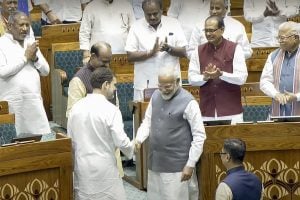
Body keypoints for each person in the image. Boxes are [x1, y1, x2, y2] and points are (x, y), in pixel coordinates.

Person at [135, 66, 206, 200]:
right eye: (160, 86)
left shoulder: (189, 102)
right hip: (155, 162)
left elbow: (200, 136)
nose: (163, 90)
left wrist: (190, 165)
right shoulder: (156, 95)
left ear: (177, 81)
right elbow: (147, 121)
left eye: (167, 86)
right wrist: (139, 139)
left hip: (178, 167)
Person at [67, 67, 134, 200]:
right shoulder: (111, 110)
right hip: (104, 168)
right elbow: (121, 142)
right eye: (114, 84)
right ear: (105, 85)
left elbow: (70, 140)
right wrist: (133, 147)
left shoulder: (76, 108)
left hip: (82, 166)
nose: (115, 89)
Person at [189, 16, 248, 124]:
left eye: (211, 30)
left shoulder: (235, 48)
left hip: (231, 111)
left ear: (222, 30)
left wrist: (221, 74)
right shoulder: (198, 51)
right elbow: (192, 79)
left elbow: (242, 78)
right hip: (207, 112)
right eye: (206, 30)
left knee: (233, 141)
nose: (208, 34)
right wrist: (205, 77)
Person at [0, 11, 50, 136]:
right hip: (13, 101)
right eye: (21, 25)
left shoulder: (30, 43)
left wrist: (35, 59)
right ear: (10, 26)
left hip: (33, 99)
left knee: (36, 139)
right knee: (14, 140)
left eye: (27, 25)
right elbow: (3, 72)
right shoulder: (2, 43)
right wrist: (25, 57)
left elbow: (46, 71)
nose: (25, 29)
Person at [125, 0, 187, 101]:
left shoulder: (174, 23)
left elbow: (183, 52)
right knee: (145, 115)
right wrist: (150, 53)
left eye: (155, 13)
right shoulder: (136, 27)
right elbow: (130, 56)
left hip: (170, 84)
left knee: (173, 114)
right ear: (143, 12)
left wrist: (169, 49)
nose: (152, 17)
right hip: (145, 84)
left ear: (162, 10)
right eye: (148, 14)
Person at [260, 21, 300, 116]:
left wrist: (296, 97)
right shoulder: (273, 56)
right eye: (278, 37)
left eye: (282, 38)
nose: (279, 41)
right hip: (278, 111)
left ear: (296, 38)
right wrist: (276, 94)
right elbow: (265, 81)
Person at [66, 41, 112, 117]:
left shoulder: (108, 74)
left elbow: (115, 104)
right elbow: (72, 113)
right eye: (104, 62)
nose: (107, 65)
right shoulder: (78, 80)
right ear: (93, 56)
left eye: (109, 62)